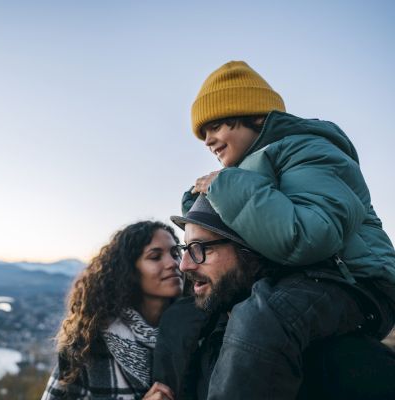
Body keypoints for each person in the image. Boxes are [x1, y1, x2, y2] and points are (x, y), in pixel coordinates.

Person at [177, 61, 395, 399]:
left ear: (256, 117)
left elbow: (310, 237)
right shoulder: (250, 169)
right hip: (314, 278)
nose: (208, 140)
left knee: (264, 318)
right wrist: (198, 203)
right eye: (202, 133)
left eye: (217, 125)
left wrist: (227, 189)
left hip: (360, 281)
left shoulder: (310, 150)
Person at [151, 195, 395, 400]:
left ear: (252, 250)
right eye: (185, 249)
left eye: (201, 248)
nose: (183, 265)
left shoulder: (352, 362)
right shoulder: (195, 332)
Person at [41, 220, 184, 399]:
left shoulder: (199, 334)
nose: (174, 263)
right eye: (155, 257)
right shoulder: (88, 346)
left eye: (176, 253)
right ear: (129, 271)